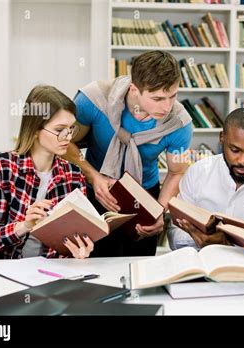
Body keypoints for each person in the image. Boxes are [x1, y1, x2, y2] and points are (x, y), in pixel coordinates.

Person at [0, 85, 94, 304]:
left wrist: (80, 252)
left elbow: (70, 241)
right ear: (35, 129)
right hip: (1, 281)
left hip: (50, 282)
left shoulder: (73, 175)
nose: (67, 137)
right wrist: (23, 225)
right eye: (59, 129)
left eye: (71, 129)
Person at [65, 50, 193, 257]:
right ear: (134, 88)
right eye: (158, 98)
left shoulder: (180, 123)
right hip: (95, 187)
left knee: (140, 265)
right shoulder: (93, 100)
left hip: (145, 194)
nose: (167, 106)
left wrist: (159, 212)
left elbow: (177, 172)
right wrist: (93, 176)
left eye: (173, 96)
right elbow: (65, 143)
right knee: (95, 262)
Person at [167, 108, 244, 250]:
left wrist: (228, 244)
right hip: (200, 265)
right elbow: (174, 235)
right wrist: (198, 237)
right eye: (235, 150)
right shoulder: (198, 172)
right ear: (222, 138)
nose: (243, 161)